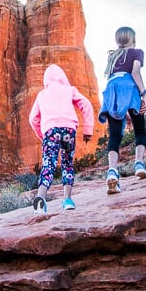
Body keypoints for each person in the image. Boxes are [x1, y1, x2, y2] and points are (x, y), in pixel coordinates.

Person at [28, 64, 94, 214]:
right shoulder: (69, 90)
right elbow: (86, 104)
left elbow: (33, 119)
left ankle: (40, 198)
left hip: (51, 131)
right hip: (69, 129)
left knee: (48, 165)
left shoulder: (42, 95)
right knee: (67, 164)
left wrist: (42, 135)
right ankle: (68, 200)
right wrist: (88, 129)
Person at [98, 26, 146, 194]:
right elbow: (135, 73)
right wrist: (144, 93)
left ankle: (112, 170)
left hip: (112, 89)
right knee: (140, 129)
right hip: (129, 88)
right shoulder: (136, 52)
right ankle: (139, 164)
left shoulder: (112, 56)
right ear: (132, 39)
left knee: (115, 134)